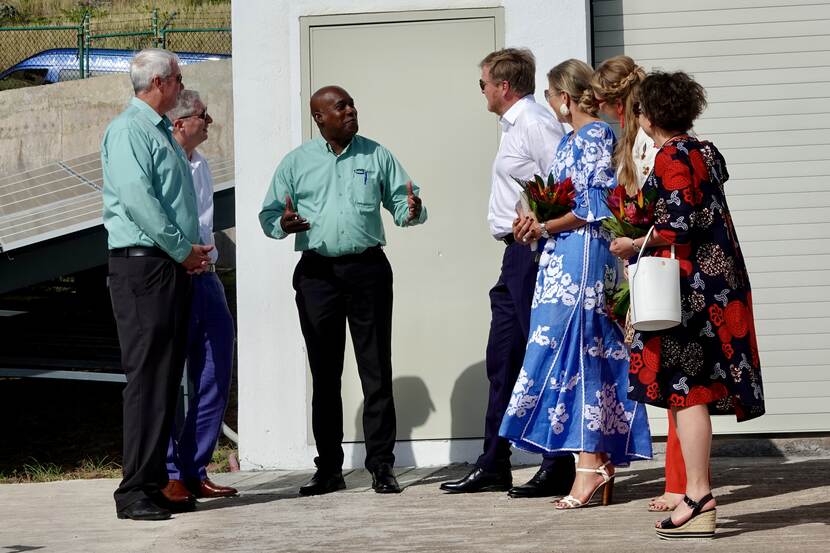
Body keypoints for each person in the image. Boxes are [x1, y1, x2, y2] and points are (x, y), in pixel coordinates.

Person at [610, 71, 764, 539]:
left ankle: (698, 496)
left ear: (649, 115)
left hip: (690, 288)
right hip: (717, 282)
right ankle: (698, 494)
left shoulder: (674, 154)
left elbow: (677, 225)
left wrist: (633, 243)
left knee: (686, 390)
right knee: (688, 390)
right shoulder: (705, 151)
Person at [259, 85, 426, 496]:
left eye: (351, 104)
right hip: (317, 275)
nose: (351, 111)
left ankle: (382, 467)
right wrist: (283, 225)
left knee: (375, 369)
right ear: (320, 118)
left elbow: (405, 204)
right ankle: (329, 469)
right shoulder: (297, 163)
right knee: (325, 372)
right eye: (340, 107)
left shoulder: (376, 155)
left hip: (367, 269)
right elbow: (268, 215)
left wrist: (412, 210)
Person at [502, 58, 652, 510]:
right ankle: (591, 459)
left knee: (579, 353)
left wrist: (545, 226)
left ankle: (590, 463)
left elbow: (593, 207)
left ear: (565, 99)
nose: (548, 104)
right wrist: (535, 219)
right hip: (563, 258)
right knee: (570, 354)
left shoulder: (593, 137)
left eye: (550, 95)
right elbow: (565, 199)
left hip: (582, 260)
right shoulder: (572, 140)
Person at [440, 48, 576, 498]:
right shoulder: (512, 125)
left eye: (483, 84)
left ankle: (558, 463)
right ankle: (494, 461)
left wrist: (539, 221)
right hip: (514, 256)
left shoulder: (534, 122)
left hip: (534, 252)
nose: (481, 91)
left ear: (503, 86)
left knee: (538, 356)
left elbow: (565, 184)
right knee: (503, 359)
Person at [102, 48, 213, 521]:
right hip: (144, 266)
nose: (182, 84)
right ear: (162, 82)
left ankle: (150, 483)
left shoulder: (158, 130)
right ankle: (132, 492)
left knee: (165, 380)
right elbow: (139, 201)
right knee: (147, 379)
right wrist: (180, 248)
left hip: (165, 266)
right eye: (179, 77)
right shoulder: (130, 130)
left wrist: (187, 251)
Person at [593, 55, 692, 513]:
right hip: (647, 258)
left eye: (605, 102)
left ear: (618, 101)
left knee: (673, 375)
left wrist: (631, 237)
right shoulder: (634, 140)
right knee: (666, 376)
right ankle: (678, 481)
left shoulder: (652, 146)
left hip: (659, 261)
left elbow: (660, 209)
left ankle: (681, 484)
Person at [164, 90, 238, 501]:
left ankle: (194, 466)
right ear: (179, 123)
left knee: (216, 368)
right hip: (174, 275)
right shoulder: (166, 163)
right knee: (167, 377)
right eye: (202, 116)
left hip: (206, 277)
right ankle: (171, 470)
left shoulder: (202, 163)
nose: (208, 121)